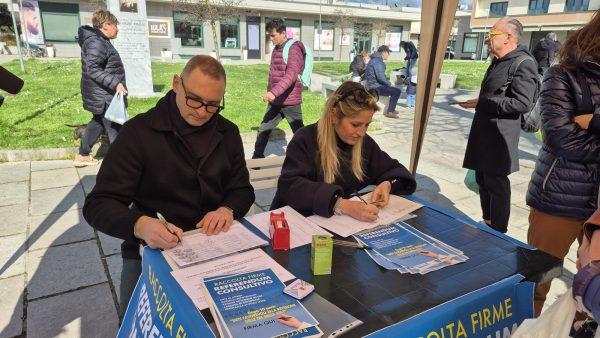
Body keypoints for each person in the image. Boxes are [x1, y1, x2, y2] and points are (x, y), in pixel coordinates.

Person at [82, 55, 255, 317]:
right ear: (176, 84)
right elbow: (98, 204)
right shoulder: (138, 133)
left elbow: (242, 189)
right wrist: (139, 224)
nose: (201, 111)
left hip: (213, 245)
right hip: (151, 248)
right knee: (138, 324)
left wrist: (227, 209)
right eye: (194, 99)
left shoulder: (227, 132)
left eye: (212, 105)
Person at [525, 9, 600, 317]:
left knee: (593, 294)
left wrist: (593, 122)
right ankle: (523, 329)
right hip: (560, 197)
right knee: (536, 283)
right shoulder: (563, 73)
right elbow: (561, 139)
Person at [271, 81, 416, 220]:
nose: (362, 132)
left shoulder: (364, 143)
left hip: (339, 225)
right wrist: (341, 205)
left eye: (367, 125)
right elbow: (291, 186)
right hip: (294, 223)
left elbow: (394, 170)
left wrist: (387, 184)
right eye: (355, 124)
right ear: (334, 115)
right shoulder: (306, 139)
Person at [461, 17, 538, 234]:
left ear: (509, 38)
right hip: (485, 131)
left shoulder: (523, 63)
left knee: (496, 182)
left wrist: (483, 103)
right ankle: (488, 222)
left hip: (500, 135)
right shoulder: (499, 60)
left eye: (493, 34)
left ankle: (498, 230)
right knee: (482, 178)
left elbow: (522, 103)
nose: (488, 38)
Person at [74, 9, 127, 167]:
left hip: (102, 93)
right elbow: (93, 69)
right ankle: (121, 164)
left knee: (98, 122)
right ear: (105, 25)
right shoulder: (96, 42)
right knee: (115, 127)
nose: (117, 28)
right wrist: (116, 83)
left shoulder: (100, 40)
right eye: (115, 25)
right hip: (104, 95)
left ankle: (83, 155)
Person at [252, 18, 306, 159]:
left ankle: (311, 159)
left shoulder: (294, 49)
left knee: (300, 134)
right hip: (276, 101)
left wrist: (273, 92)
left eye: (273, 35)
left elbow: (291, 75)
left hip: (290, 102)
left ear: (283, 33)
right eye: (269, 35)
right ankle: (257, 160)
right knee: (264, 129)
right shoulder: (277, 48)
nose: (270, 38)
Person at [366, 45, 402, 118]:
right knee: (396, 91)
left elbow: (380, 75)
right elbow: (380, 77)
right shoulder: (377, 61)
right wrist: (389, 83)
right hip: (376, 86)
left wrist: (387, 82)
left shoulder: (376, 59)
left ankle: (392, 109)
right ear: (384, 52)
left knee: (395, 90)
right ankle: (390, 112)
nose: (389, 55)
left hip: (374, 84)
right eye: (388, 53)